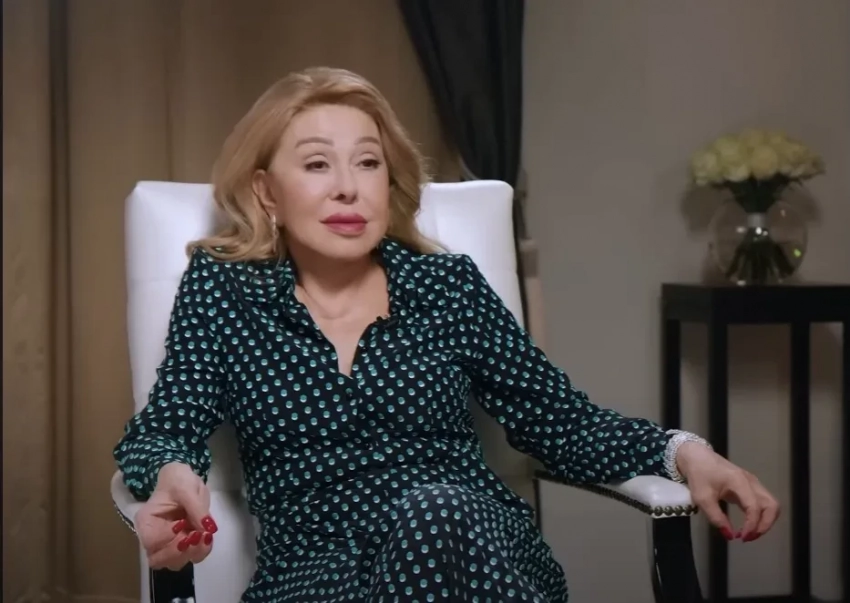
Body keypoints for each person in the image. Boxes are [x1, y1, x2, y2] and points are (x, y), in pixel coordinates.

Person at [114, 67, 779, 603]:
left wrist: (684, 452)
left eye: (368, 163)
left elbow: (561, 422)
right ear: (266, 193)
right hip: (317, 575)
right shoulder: (225, 290)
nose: (348, 188)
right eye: (317, 165)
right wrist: (172, 474)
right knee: (430, 519)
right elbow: (164, 427)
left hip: (475, 555)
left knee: (436, 514)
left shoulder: (446, 286)